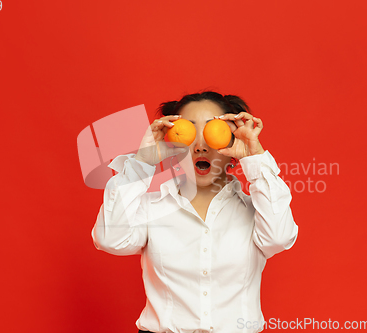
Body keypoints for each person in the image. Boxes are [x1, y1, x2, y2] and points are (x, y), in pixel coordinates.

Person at [92, 91, 299, 333]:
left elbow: (279, 237)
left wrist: (253, 156)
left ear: (230, 143)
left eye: (212, 132)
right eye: (188, 131)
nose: (200, 146)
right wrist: (142, 163)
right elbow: (110, 240)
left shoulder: (257, 211)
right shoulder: (151, 208)